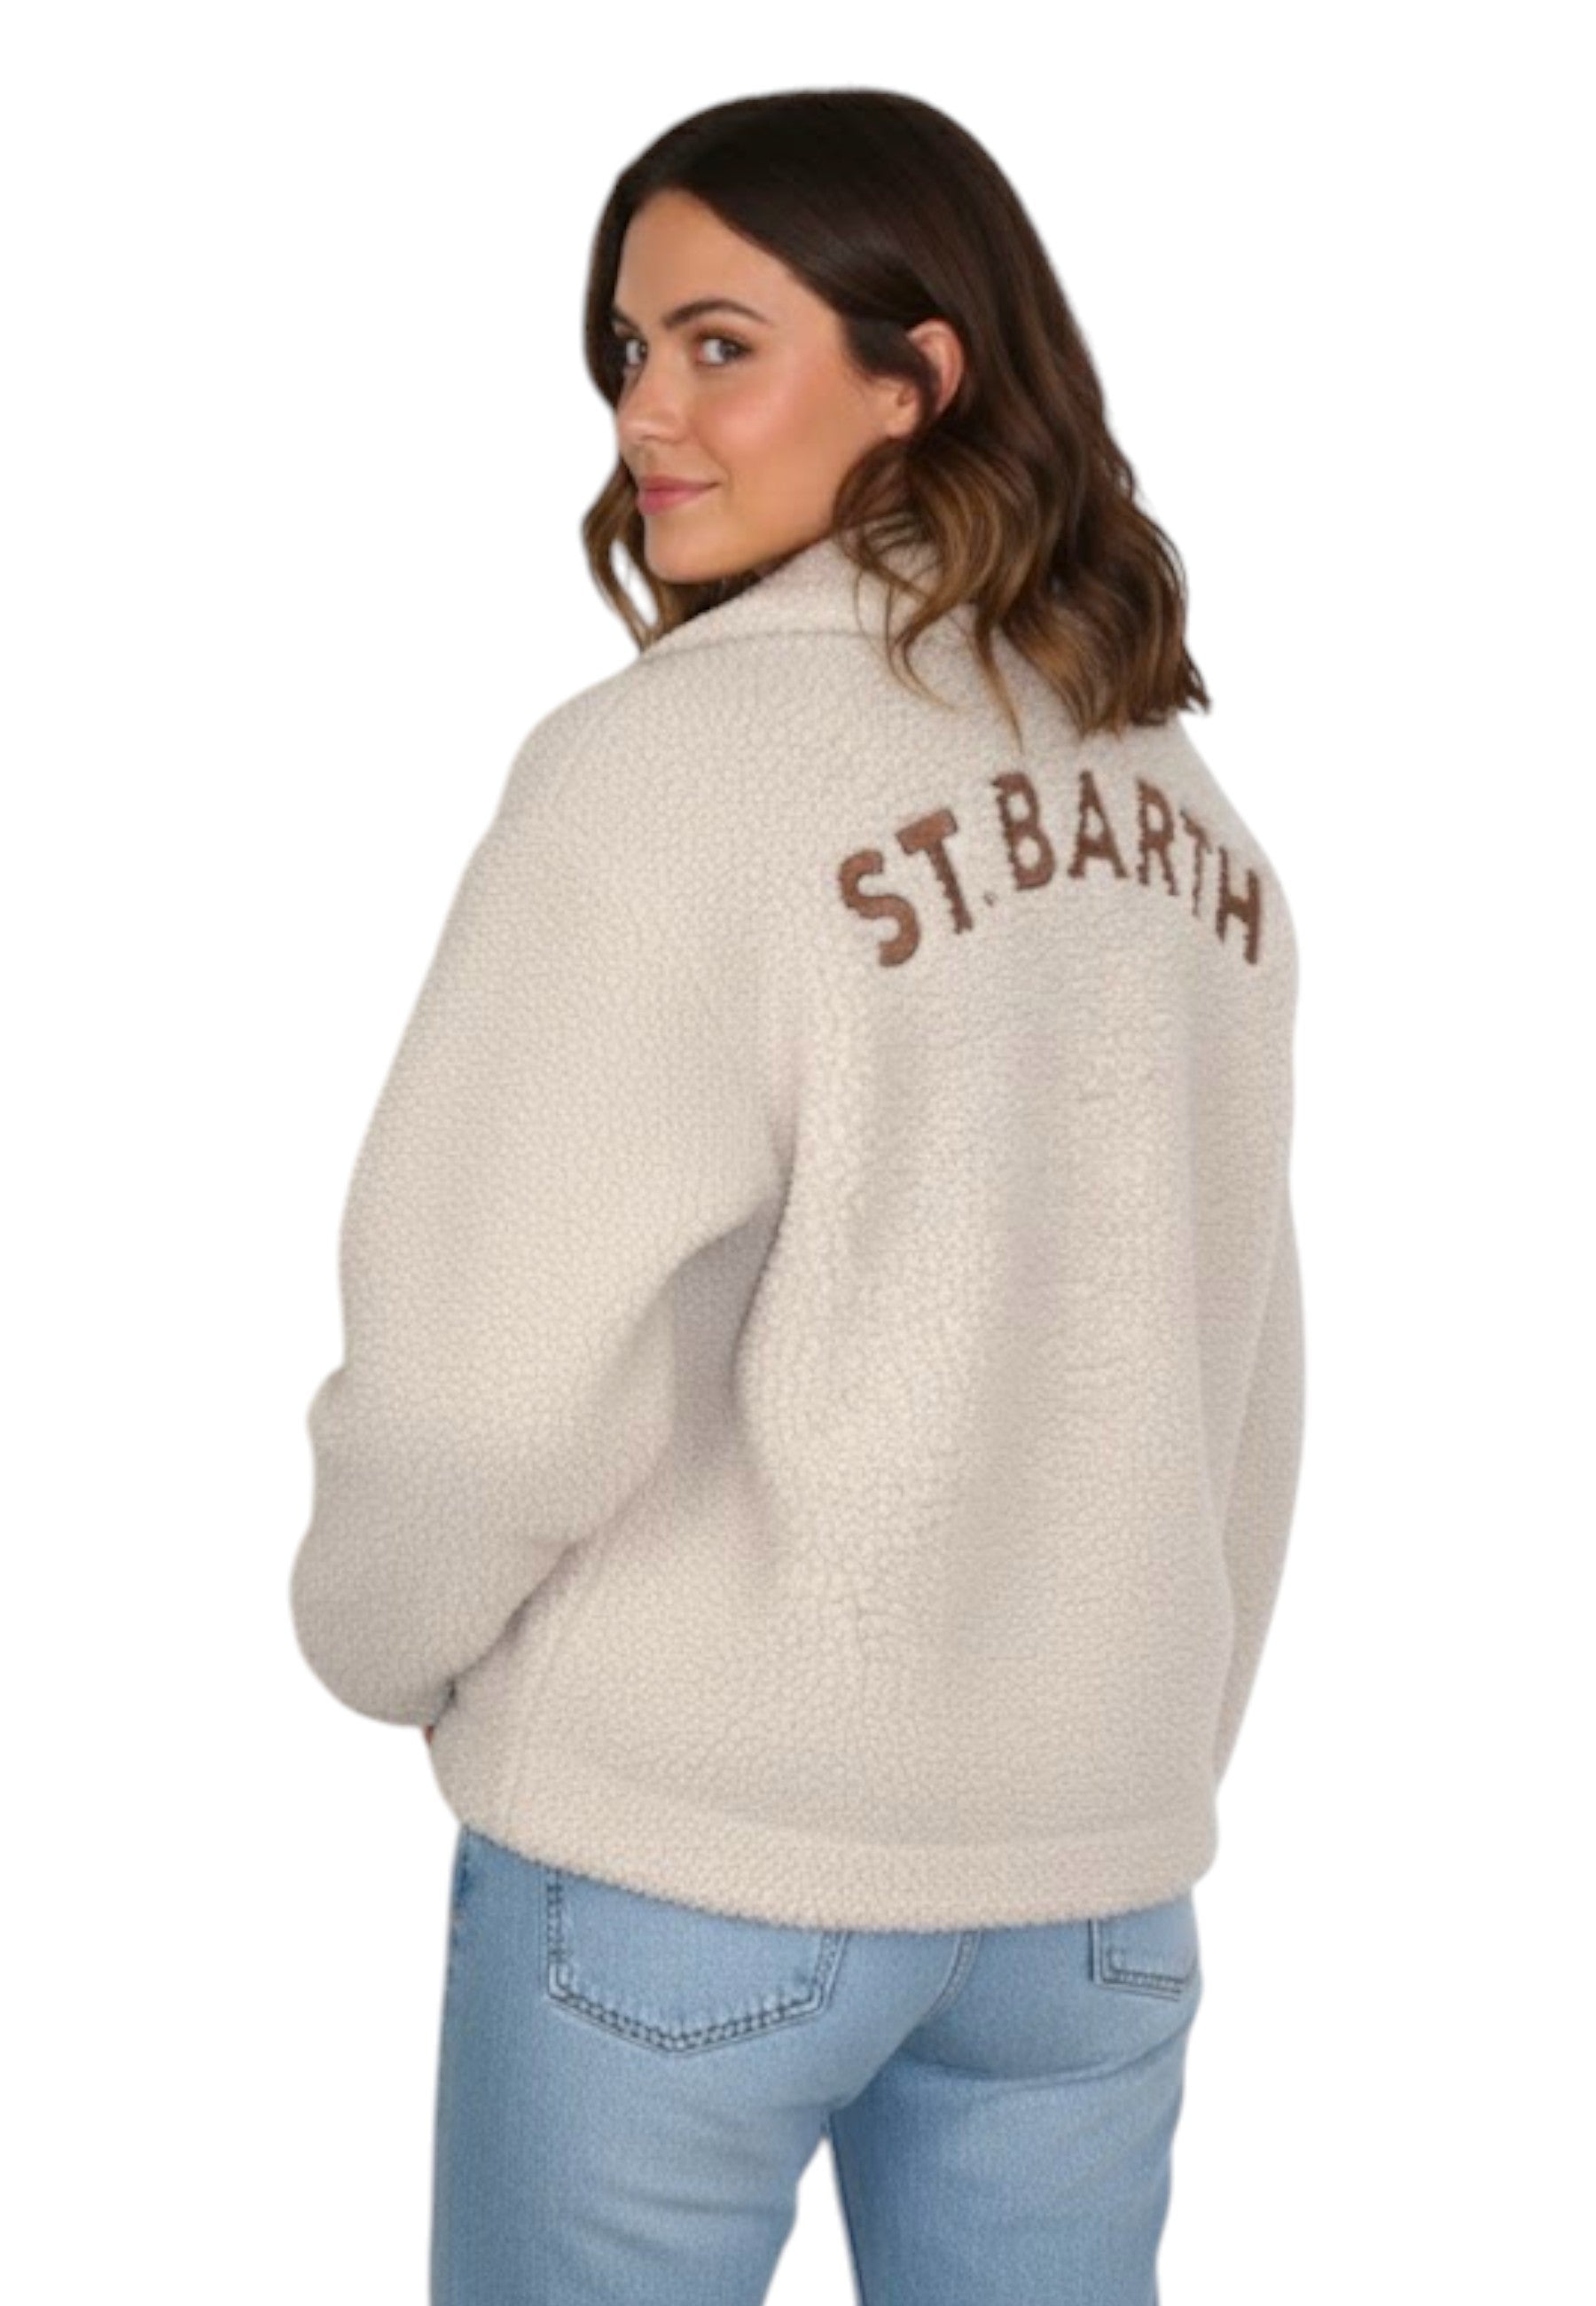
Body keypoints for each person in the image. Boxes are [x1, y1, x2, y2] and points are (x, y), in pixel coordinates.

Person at [290, 86, 1306, 2306]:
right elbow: (1238, 1372)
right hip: (1088, 1895)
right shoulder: (1188, 819)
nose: (645, 410)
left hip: (691, 1868)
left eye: (720, 345)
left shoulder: (660, 774)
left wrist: (375, 1643)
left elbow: (475, 1389)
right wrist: (1121, 1760)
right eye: (628, 348)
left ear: (918, 372)